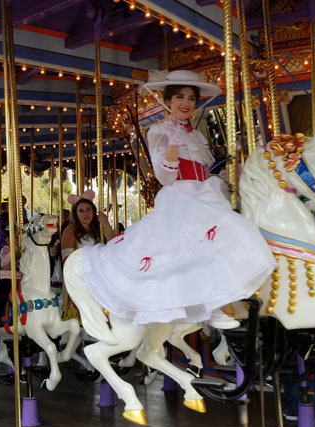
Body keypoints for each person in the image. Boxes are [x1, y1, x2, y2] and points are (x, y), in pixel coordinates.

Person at [77, 70, 275, 328]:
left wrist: (227, 172)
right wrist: (171, 145)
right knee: (199, 246)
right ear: (168, 100)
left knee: (232, 232)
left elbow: (204, 167)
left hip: (206, 191)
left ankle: (224, 300)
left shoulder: (197, 135)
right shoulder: (158, 131)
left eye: (191, 98)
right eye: (180, 97)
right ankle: (212, 307)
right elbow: (165, 177)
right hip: (181, 194)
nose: (186, 103)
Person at [60, 192, 115, 262]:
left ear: (93, 211)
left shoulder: (99, 227)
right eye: (81, 211)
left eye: (88, 209)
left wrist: (105, 223)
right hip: (82, 270)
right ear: (76, 214)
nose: (85, 213)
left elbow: (114, 243)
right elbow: (67, 261)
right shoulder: (70, 231)